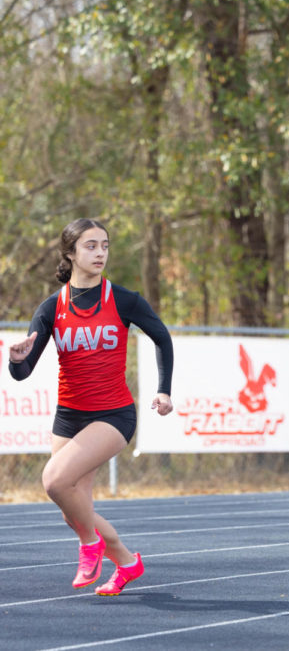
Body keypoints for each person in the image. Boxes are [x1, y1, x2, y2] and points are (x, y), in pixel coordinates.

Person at [7, 218, 175, 595]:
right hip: (68, 417)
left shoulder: (124, 300)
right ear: (70, 253)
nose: (100, 253)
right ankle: (128, 562)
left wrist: (164, 390)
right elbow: (23, 371)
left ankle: (91, 545)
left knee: (53, 480)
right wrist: (17, 359)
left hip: (113, 415)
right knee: (73, 509)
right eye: (90, 246)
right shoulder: (52, 308)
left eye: (105, 245)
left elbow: (162, 338)